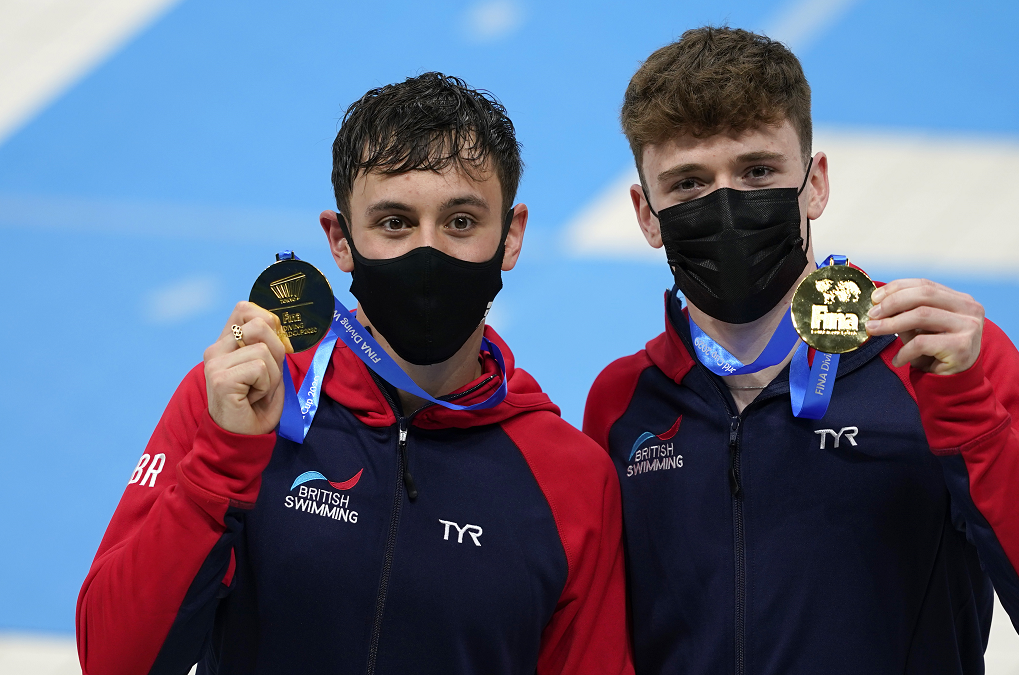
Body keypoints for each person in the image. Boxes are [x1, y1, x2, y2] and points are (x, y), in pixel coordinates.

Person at [583, 27, 1019, 675]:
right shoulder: (623, 405)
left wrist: (970, 416)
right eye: (689, 184)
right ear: (647, 214)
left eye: (758, 170)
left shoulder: (937, 356)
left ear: (814, 184)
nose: (725, 204)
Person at [77, 73, 632, 675]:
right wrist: (222, 457)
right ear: (341, 241)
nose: (429, 252)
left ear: (511, 236)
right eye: (394, 223)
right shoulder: (241, 403)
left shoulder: (570, 479)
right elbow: (113, 661)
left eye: (462, 222)